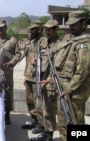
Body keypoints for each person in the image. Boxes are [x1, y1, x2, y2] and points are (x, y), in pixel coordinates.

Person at [53, 11, 90, 141]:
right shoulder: (71, 41)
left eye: (74, 24)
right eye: (70, 25)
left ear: (84, 24)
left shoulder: (84, 43)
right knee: (63, 122)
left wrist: (69, 88)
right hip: (65, 89)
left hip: (75, 91)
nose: (71, 27)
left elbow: (83, 70)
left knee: (76, 123)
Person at [31, 19, 60, 141]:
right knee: (44, 109)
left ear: (56, 30)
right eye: (46, 30)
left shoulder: (60, 44)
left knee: (50, 110)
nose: (48, 32)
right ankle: (46, 132)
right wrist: (35, 61)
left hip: (52, 83)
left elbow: (59, 67)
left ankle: (49, 134)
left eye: (50, 30)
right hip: (43, 81)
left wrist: (49, 80)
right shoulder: (45, 44)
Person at [22, 21, 47, 134]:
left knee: (38, 103)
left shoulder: (43, 41)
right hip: (28, 76)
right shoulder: (31, 41)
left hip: (37, 77)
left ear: (40, 29)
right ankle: (34, 120)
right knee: (29, 101)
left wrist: (38, 58)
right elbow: (24, 54)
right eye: (31, 29)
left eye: (35, 29)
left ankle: (41, 124)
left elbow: (46, 55)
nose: (32, 31)